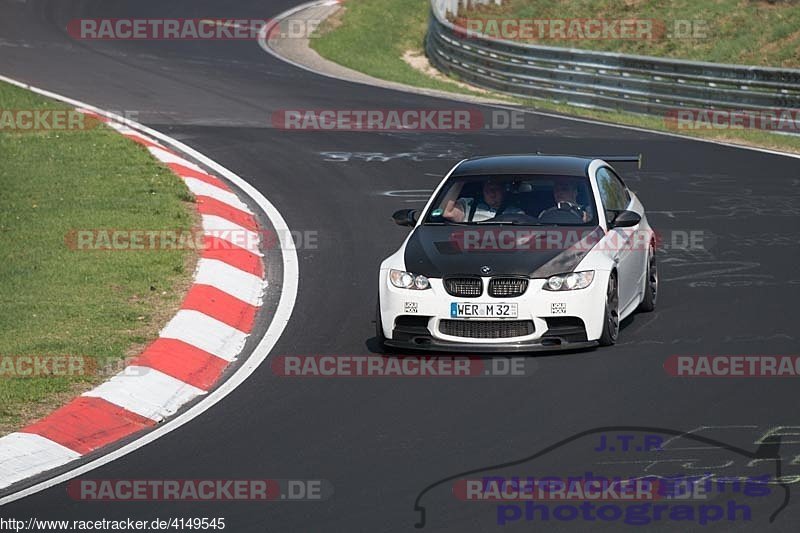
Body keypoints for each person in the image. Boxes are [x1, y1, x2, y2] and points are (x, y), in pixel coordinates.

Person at [442, 180, 524, 222]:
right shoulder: (467, 204)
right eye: (487, 189)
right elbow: (448, 213)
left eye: (495, 189)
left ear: (504, 191)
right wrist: (459, 183)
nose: (491, 193)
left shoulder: (516, 213)